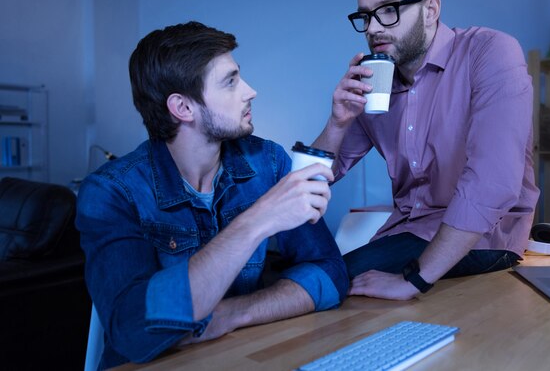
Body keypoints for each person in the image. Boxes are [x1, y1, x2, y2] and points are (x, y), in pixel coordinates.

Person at [76, 21, 348, 369]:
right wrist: (257, 221)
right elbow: (131, 331)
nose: (250, 91)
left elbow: (330, 272)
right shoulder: (111, 192)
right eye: (230, 82)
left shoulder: (267, 162)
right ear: (183, 108)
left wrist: (231, 314)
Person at [312, 0, 539, 301]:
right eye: (366, 16)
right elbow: (319, 177)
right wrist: (337, 121)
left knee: (319, 282)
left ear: (431, 9)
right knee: (297, 264)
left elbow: (493, 182)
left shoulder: (489, 52)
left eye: (388, 10)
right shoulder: (376, 81)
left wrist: (414, 280)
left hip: (484, 238)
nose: (373, 28)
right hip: (406, 233)